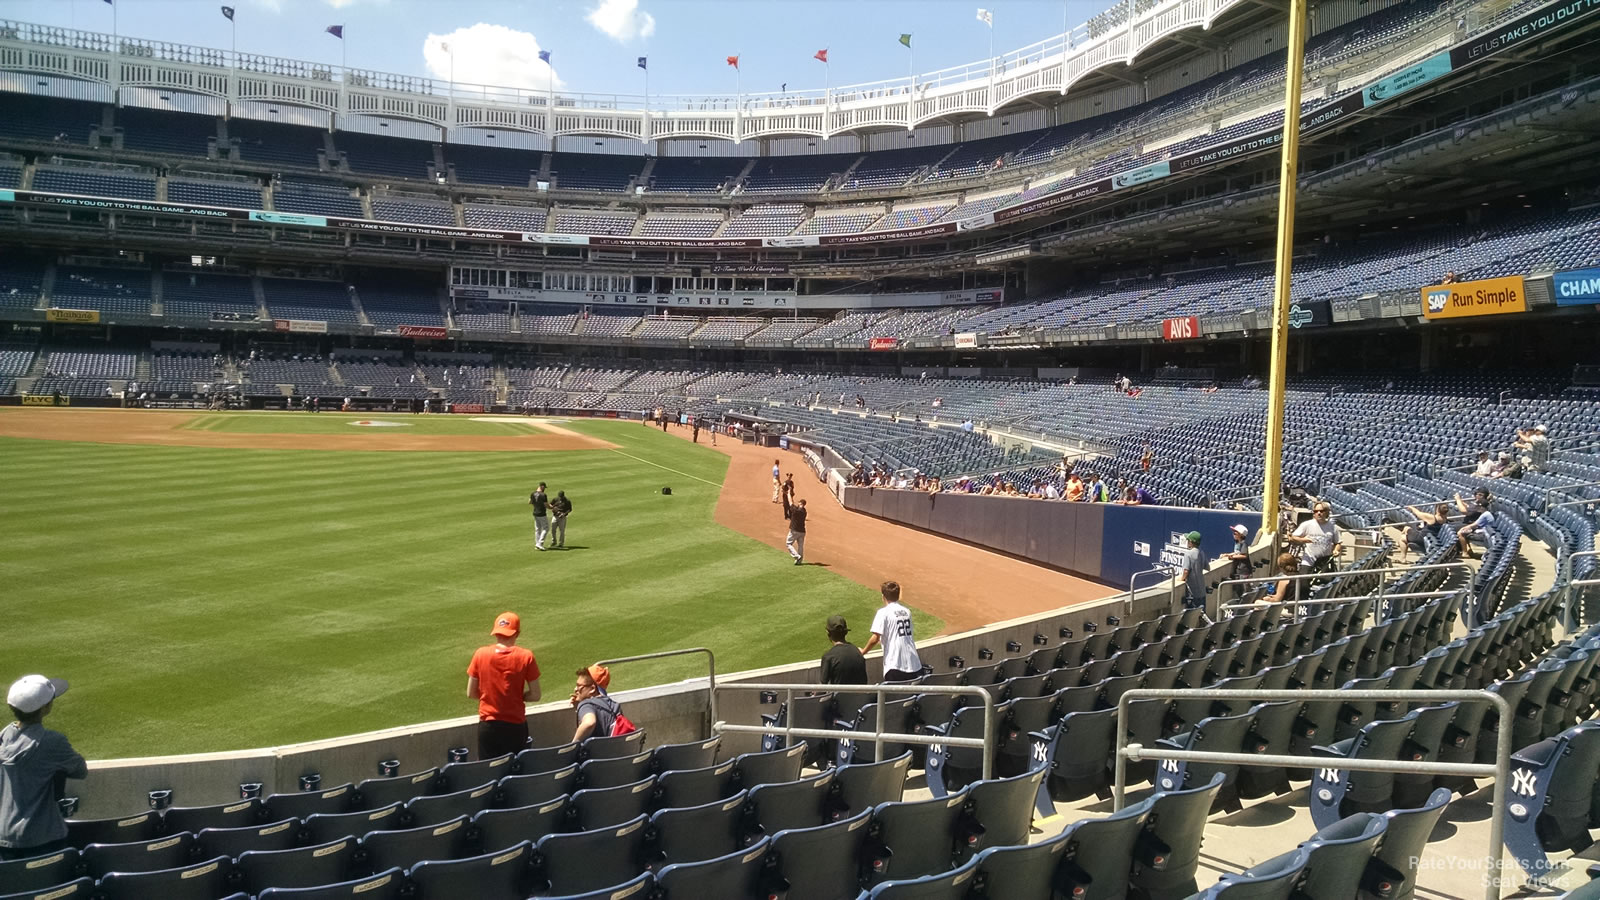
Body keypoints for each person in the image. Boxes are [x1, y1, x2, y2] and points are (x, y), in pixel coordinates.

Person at [1, 675, 86, 862]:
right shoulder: (53, 742)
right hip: (45, 837)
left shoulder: (4, 737)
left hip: (5, 837)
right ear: (45, 708)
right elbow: (80, 770)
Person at [466, 613, 542, 760]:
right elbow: (535, 695)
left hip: (488, 726)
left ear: (496, 633)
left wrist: (490, 697)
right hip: (515, 726)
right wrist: (517, 696)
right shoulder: (526, 656)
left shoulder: (480, 654)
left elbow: (471, 693)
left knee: (489, 769)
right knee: (514, 768)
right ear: (517, 633)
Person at [863, 582, 922, 682]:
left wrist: (863, 652)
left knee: (895, 692)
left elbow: (875, 638)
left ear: (883, 597)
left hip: (895, 664)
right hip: (914, 664)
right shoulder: (907, 612)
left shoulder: (883, 612)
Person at [570, 665, 623, 743]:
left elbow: (589, 723)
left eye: (579, 686)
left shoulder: (586, 705)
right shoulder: (614, 706)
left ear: (592, 689)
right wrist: (578, 707)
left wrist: (573, 746)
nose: (575, 689)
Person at [1288, 501, 1342, 572]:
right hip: (1308, 561)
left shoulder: (1332, 527)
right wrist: (1303, 540)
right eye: (1316, 511)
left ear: (1327, 512)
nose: (1318, 513)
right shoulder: (1306, 525)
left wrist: (1336, 550)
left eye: (1321, 511)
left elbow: (1338, 542)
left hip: (1324, 562)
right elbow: (1291, 538)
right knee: (1303, 578)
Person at [820, 615, 868, 685]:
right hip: (861, 692)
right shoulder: (857, 652)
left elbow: (822, 686)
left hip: (841, 692)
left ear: (828, 633)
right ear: (846, 632)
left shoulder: (828, 657)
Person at [1226, 524, 1253, 601]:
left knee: (1245, 591)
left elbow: (1244, 555)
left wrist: (1233, 557)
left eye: (1235, 532)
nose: (1233, 534)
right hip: (1238, 571)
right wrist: (1227, 554)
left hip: (1244, 572)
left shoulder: (1243, 544)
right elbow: (1237, 553)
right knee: (1238, 591)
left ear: (1241, 535)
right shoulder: (1237, 543)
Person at [1180, 531, 1207, 610]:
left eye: (1188, 540)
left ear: (1191, 542)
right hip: (1202, 591)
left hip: (1193, 592)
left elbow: (1186, 571)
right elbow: (1207, 567)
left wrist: (1182, 579)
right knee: (1202, 615)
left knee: (1192, 615)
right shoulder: (1201, 552)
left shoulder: (1188, 554)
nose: (1187, 542)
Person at [783, 490, 808, 565]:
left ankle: (796, 556)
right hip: (802, 531)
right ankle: (799, 561)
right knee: (800, 546)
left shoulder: (796, 511)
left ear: (800, 503)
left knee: (788, 543)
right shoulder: (804, 511)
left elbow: (790, 503)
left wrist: (788, 494)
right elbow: (794, 505)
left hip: (794, 530)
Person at [530, 482, 550, 551]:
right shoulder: (543, 495)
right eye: (544, 487)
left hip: (535, 513)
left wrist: (536, 504)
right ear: (542, 486)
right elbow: (546, 505)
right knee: (546, 528)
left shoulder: (533, 493)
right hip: (542, 513)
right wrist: (552, 507)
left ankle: (537, 544)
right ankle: (540, 543)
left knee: (537, 529)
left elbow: (530, 502)